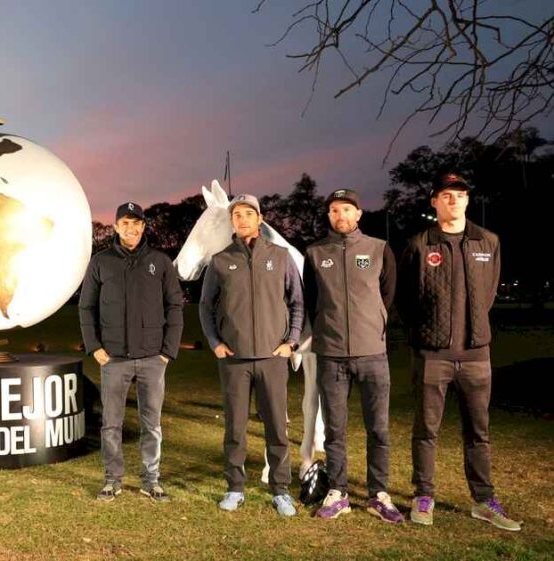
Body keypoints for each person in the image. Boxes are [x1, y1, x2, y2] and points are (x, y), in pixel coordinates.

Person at [397, 173, 520, 531]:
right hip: (432, 355)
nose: (454, 201)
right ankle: (424, 494)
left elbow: (490, 293)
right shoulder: (420, 243)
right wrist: (424, 332)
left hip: (476, 355)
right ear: (434, 201)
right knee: (426, 430)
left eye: (460, 195)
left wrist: (474, 329)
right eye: (446, 195)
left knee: (478, 432)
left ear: (468, 201)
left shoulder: (488, 241)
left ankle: (483, 500)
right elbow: (405, 298)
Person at [199, 194, 304, 517]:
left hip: (273, 357)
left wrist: (292, 342)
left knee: (276, 427)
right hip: (234, 359)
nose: (242, 219)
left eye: (248, 213)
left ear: (260, 219)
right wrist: (215, 342)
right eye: (237, 214)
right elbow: (205, 306)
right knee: (235, 428)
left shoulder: (281, 257)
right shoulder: (220, 260)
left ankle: (281, 490)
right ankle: (235, 487)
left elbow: (297, 302)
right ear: (232, 221)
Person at [303, 188, 403, 522]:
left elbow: (386, 294)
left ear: (358, 214)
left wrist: (370, 323)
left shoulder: (379, 249)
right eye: (334, 210)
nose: (340, 215)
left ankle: (379, 493)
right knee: (335, 430)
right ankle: (339, 492)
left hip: (372, 354)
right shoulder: (315, 252)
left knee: (379, 429)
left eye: (347, 209)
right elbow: (311, 298)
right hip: (331, 355)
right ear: (329, 216)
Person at [79, 201, 183, 502]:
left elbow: (175, 306)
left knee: (152, 424)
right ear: (116, 227)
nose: (131, 228)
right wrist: (94, 346)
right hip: (114, 359)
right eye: (125, 222)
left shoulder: (160, 261)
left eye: (136, 222)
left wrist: (167, 351)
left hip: (153, 358)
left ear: (143, 227)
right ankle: (112, 480)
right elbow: (86, 307)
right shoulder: (101, 262)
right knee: (111, 424)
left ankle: (151, 480)